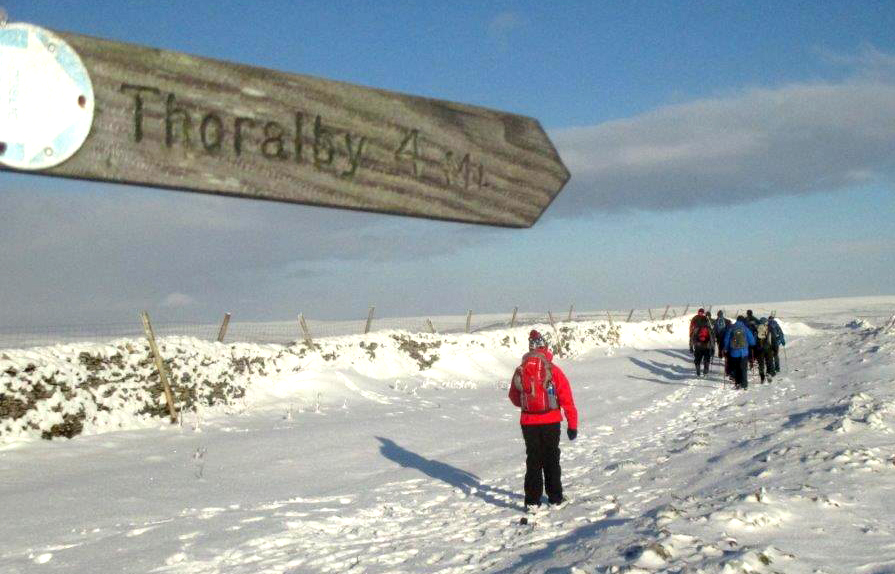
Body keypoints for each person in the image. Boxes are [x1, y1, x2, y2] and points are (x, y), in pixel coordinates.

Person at [509, 330, 579, 509]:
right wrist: (572, 424)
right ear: (545, 347)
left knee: (533, 460)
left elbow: (514, 397)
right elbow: (566, 398)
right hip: (551, 420)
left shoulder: (521, 369)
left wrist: (529, 404)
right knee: (551, 458)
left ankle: (532, 501)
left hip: (528, 421)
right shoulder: (553, 370)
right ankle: (555, 497)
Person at [724, 315, 756, 389]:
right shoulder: (745, 328)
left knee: (736, 368)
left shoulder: (731, 328)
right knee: (743, 369)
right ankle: (744, 385)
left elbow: (726, 340)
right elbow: (751, 340)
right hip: (744, 353)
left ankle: (737, 383)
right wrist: (752, 345)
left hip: (733, 352)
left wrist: (726, 349)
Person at [690, 309, 715, 377]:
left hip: (698, 346)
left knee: (697, 360)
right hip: (707, 346)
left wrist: (691, 347)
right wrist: (713, 348)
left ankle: (698, 372)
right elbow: (712, 339)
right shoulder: (709, 328)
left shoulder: (696, 328)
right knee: (706, 359)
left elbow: (692, 338)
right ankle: (705, 372)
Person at [753, 318, 776, 383]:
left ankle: (762, 377)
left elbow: (754, 340)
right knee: (769, 362)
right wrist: (774, 349)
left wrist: (755, 348)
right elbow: (772, 339)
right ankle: (768, 373)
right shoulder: (768, 329)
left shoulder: (756, 329)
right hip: (768, 348)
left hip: (759, 349)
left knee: (761, 364)